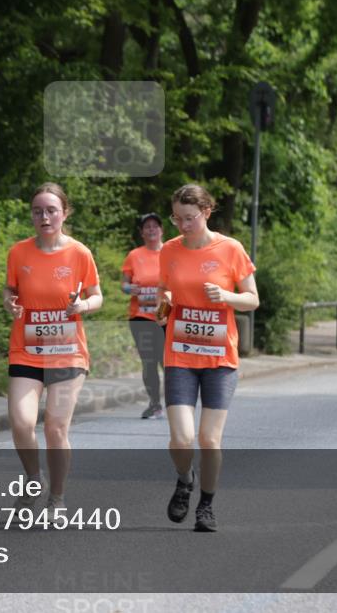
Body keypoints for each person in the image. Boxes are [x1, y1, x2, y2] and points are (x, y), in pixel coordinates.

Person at [156, 184, 258, 532]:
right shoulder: (169, 250)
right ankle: (186, 479)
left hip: (219, 358)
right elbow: (163, 290)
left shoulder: (230, 249)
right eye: (177, 218)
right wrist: (163, 306)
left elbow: (252, 299)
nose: (183, 225)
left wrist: (227, 296)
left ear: (206, 212)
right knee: (181, 438)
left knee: (209, 440)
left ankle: (206, 505)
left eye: (190, 218)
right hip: (180, 354)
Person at [3, 182, 103, 516]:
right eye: (37, 211)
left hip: (67, 352)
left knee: (55, 427)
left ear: (64, 213)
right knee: (21, 422)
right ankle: (35, 480)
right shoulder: (18, 253)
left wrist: (82, 306)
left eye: (51, 211)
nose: (44, 217)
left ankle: (57, 498)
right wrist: (10, 303)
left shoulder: (79, 253)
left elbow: (97, 296)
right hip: (27, 350)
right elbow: (9, 290)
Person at [121, 213, 166, 419]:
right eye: (147, 227)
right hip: (140, 316)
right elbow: (124, 284)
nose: (151, 230)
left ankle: (177, 402)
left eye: (155, 226)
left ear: (161, 230)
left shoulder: (170, 253)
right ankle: (155, 404)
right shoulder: (134, 255)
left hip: (165, 314)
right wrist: (129, 288)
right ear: (142, 232)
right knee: (149, 361)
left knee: (167, 361)